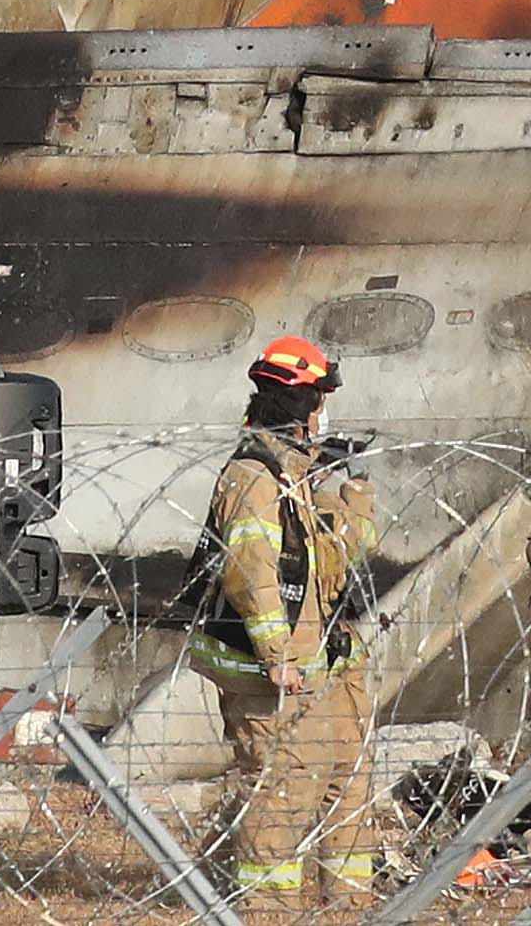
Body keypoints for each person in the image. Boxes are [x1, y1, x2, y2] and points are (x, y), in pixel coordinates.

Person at [188, 335, 379, 912]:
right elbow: (252, 572)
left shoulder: (302, 476)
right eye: (319, 399)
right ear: (301, 405)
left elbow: (348, 556)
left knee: (347, 787)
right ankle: (270, 914)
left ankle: (350, 909)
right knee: (280, 798)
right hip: (278, 674)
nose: (324, 413)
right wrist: (277, 656)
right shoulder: (255, 477)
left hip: (328, 663)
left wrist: (354, 491)